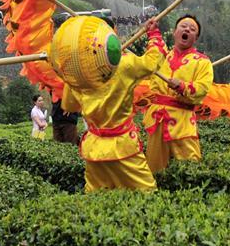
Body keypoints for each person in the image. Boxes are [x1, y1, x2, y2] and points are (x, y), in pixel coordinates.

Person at [61, 19, 167, 192]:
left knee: (96, 196)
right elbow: (152, 62)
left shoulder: (78, 72)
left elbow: (69, 106)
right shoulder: (125, 64)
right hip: (124, 147)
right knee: (147, 193)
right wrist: (154, 34)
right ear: (113, 34)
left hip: (94, 149)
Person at [141, 15, 212, 173]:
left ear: (196, 38)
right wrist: (152, 31)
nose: (187, 29)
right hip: (157, 118)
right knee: (154, 169)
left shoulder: (203, 62)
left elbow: (202, 88)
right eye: (183, 26)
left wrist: (182, 86)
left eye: (192, 29)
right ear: (174, 32)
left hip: (183, 120)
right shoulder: (163, 56)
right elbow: (154, 51)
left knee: (190, 167)